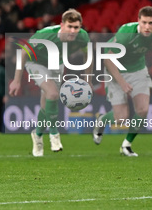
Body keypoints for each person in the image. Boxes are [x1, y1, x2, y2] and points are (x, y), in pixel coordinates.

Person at [9, 9, 92, 157]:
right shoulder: (46, 35)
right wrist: (16, 80)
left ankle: (37, 135)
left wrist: (88, 80)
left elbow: (88, 56)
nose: (73, 31)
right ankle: (54, 135)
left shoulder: (83, 37)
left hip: (57, 64)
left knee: (46, 106)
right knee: (53, 94)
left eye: (76, 27)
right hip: (36, 63)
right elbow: (23, 52)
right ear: (62, 25)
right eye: (70, 27)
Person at [92, 6, 152, 157]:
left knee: (142, 110)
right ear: (138, 21)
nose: (147, 27)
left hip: (138, 70)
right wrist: (122, 82)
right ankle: (101, 121)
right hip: (115, 70)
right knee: (121, 118)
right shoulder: (126, 34)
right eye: (144, 22)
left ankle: (126, 145)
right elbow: (107, 58)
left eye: (151, 23)